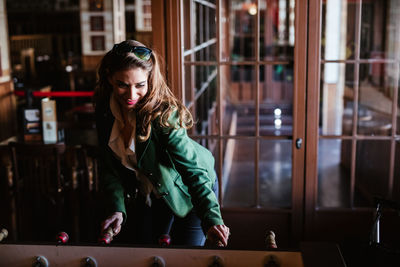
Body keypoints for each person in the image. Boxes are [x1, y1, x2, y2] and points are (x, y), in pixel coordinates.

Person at [94, 40, 230, 246]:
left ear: (149, 80)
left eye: (140, 85)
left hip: (190, 191)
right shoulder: (104, 110)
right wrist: (117, 208)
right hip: (152, 193)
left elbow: (193, 171)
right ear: (110, 78)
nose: (131, 95)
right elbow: (109, 167)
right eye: (122, 85)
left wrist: (212, 219)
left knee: (187, 257)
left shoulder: (163, 114)